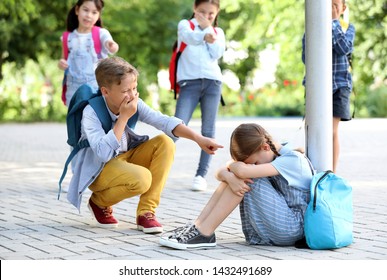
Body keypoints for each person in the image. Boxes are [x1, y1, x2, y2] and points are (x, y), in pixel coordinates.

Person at [66, 56, 223, 234]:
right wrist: (123, 117)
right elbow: (103, 153)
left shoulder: (134, 103)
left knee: (165, 142)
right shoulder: (91, 112)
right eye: (126, 90)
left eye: (134, 88)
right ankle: (99, 202)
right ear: (105, 92)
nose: (132, 95)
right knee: (142, 178)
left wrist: (198, 138)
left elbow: (163, 121)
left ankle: (146, 212)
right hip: (99, 168)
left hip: (124, 158)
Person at [159, 123, 313, 249]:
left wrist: (234, 170)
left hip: (293, 228)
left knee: (246, 178)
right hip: (279, 225)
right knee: (237, 177)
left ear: (265, 147)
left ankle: (204, 232)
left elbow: (241, 170)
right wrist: (229, 175)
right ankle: (198, 226)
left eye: (254, 162)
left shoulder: (292, 159)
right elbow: (220, 173)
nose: (252, 165)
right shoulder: (270, 153)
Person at [174, 0, 226, 191]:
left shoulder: (218, 33)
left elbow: (217, 52)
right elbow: (190, 38)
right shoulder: (184, 25)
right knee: (176, 125)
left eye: (211, 14)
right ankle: (157, 167)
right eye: (202, 12)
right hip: (189, 83)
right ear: (195, 9)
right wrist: (205, 31)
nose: (206, 16)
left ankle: (200, 175)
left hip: (213, 83)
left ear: (217, 12)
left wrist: (209, 30)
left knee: (208, 130)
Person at [302, 0, 355, 173]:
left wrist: (333, 22)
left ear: (343, 8)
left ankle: (331, 173)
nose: (331, 7)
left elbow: (343, 48)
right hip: (316, 87)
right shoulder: (313, 25)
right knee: (315, 130)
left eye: (335, 4)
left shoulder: (348, 28)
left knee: (331, 130)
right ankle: (313, 169)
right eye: (328, 3)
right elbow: (306, 57)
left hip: (339, 85)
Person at [58, 0, 119, 107]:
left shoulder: (101, 33)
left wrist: (112, 45)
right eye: (85, 10)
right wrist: (61, 63)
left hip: (96, 88)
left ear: (99, 15)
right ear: (77, 10)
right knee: (76, 120)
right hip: (73, 88)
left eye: (94, 12)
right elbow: (63, 60)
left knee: (92, 119)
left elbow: (112, 46)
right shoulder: (68, 37)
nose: (89, 15)